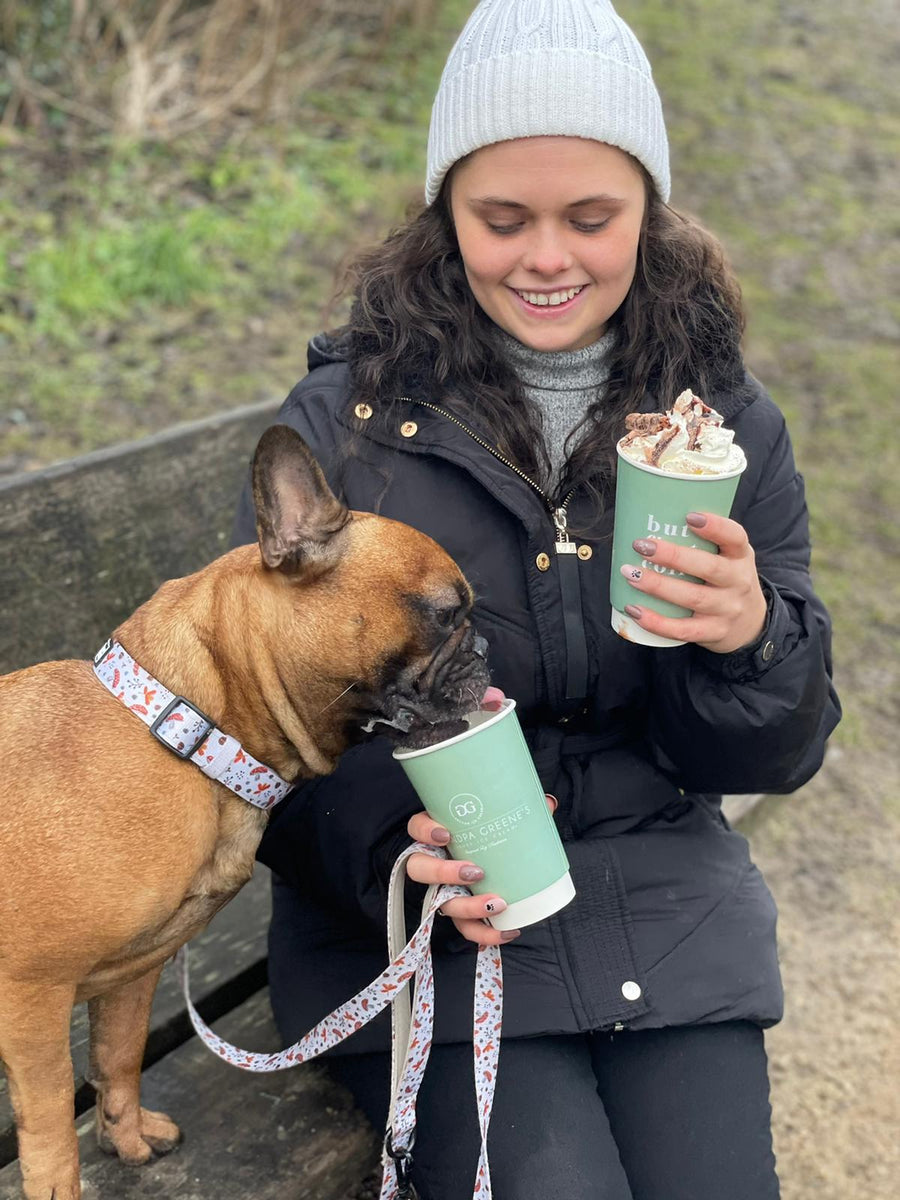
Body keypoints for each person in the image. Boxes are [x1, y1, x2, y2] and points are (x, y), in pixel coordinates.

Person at [232, 1, 840, 1196]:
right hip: (426, 928)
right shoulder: (349, 429)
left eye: (592, 218)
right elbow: (269, 734)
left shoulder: (726, 425)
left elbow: (777, 752)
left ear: (650, 215)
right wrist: (393, 860)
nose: (548, 257)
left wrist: (750, 639)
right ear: (444, 215)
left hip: (658, 900)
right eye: (501, 220)